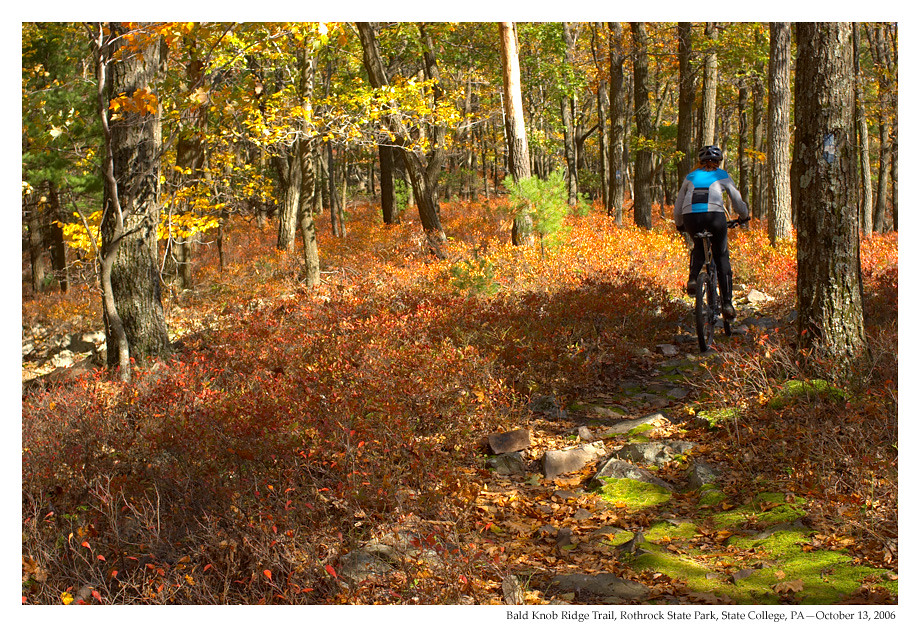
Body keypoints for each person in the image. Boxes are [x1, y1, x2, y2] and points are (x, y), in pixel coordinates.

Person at [673, 145, 749, 320]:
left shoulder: (690, 176)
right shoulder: (721, 175)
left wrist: (679, 225)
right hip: (714, 216)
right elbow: (737, 200)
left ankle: (693, 279)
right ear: (718, 162)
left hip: (691, 217)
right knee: (721, 256)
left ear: (700, 162)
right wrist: (744, 216)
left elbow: (678, 206)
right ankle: (728, 305)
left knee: (699, 245)